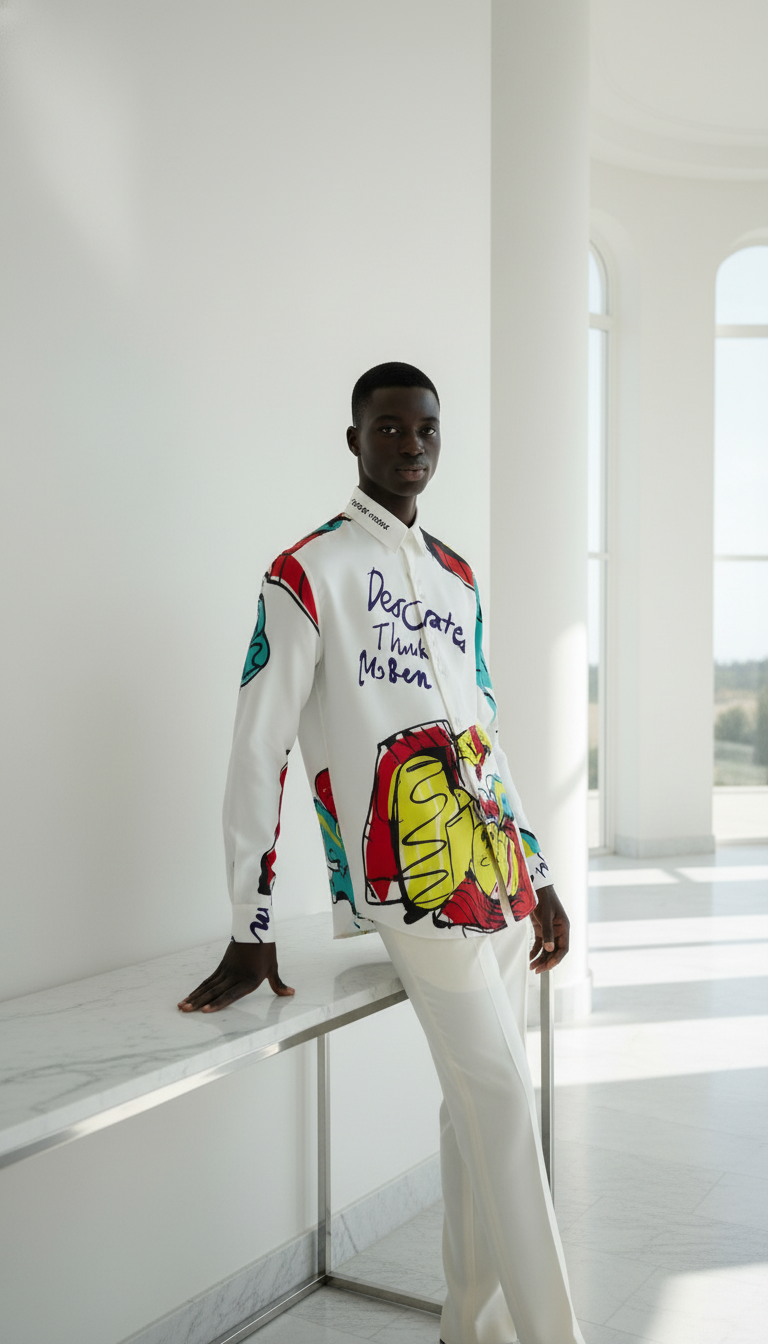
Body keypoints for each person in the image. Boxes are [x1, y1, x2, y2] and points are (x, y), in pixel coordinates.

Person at [179, 362, 584, 1344]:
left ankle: (473, 1328)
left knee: (476, 1112)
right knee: (503, 1110)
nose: (411, 444)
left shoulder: (456, 576)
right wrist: (251, 921)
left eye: (426, 428)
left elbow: (485, 736)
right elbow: (258, 749)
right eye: (390, 427)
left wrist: (537, 870)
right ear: (355, 439)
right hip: (414, 892)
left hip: (497, 879)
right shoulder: (305, 573)